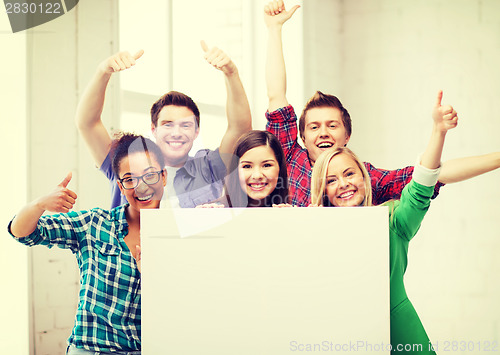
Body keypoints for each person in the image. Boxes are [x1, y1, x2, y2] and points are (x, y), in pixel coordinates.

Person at [264, 0, 500, 207]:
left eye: (332, 125)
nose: (323, 133)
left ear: (347, 136)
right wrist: (274, 29)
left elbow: (431, 175)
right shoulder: (289, 160)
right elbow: (276, 96)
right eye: (314, 127)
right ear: (302, 138)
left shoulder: (363, 177)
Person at [310, 91, 458, 354]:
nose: (343, 184)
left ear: (363, 177)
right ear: (322, 191)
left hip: (401, 335)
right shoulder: (314, 233)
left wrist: (438, 131)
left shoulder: (391, 219)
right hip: (343, 337)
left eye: (349, 174)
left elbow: (420, 187)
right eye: (331, 180)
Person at [8, 133, 165, 354]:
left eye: (150, 175)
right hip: (90, 350)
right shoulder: (94, 224)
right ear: (120, 187)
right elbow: (21, 232)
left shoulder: (178, 236)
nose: (141, 186)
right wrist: (40, 203)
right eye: (129, 179)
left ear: (164, 177)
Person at [76, 41, 252, 208]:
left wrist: (231, 74)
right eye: (167, 125)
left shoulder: (209, 167)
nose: (176, 132)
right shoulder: (125, 163)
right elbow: (88, 123)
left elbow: (240, 129)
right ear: (154, 129)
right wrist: (103, 72)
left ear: (197, 131)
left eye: (185, 125)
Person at [197, 130, 289, 208]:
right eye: (247, 166)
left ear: (280, 168)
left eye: (266, 165)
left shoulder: (291, 212)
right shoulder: (215, 211)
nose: (257, 175)